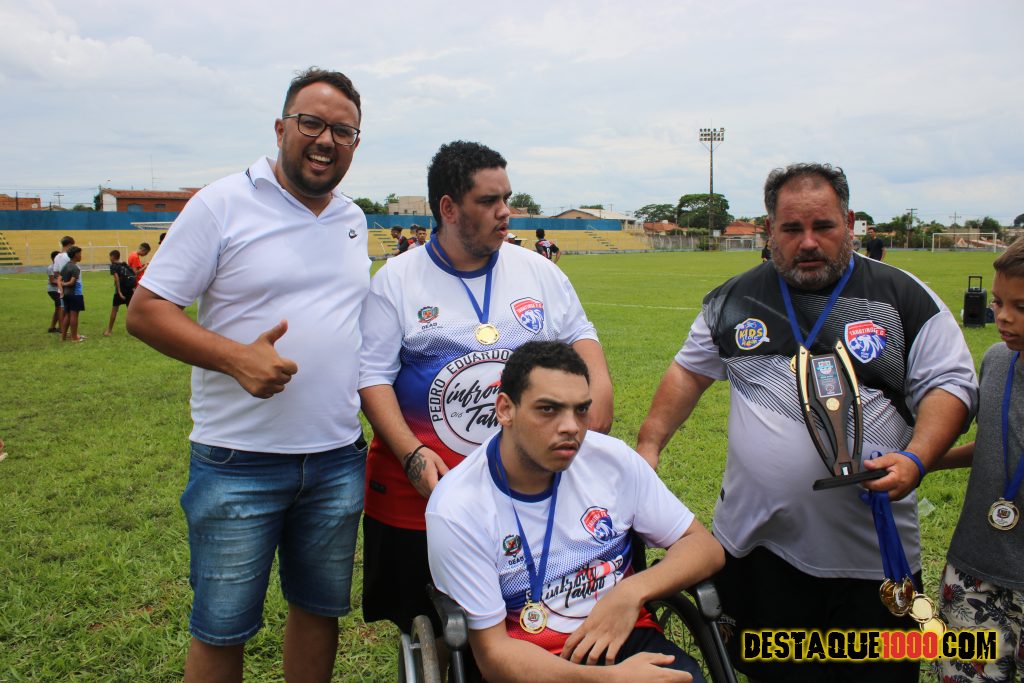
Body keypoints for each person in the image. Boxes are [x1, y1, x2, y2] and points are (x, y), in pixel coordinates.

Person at [636, 163, 978, 683]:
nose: (809, 242)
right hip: (758, 548)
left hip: (873, 558)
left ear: (850, 222)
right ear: (769, 229)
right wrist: (650, 444)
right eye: (792, 229)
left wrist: (917, 457)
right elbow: (688, 372)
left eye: (824, 226)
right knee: (771, 673)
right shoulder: (733, 300)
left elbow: (950, 385)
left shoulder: (902, 297)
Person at [126, 67, 369, 683]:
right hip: (239, 461)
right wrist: (236, 358)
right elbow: (147, 311)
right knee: (221, 627)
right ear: (281, 128)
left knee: (319, 611)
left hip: (337, 457)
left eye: (343, 131)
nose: (326, 140)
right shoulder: (222, 204)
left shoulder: (353, 217)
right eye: (312, 123)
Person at [358, 140, 614, 635]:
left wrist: (599, 385)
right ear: (448, 208)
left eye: (507, 198)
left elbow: (579, 332)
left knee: (527, 623)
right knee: (432, 628)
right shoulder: (397, 280)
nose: (505, 212)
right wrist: (412, 454)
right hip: (426, 495)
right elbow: (372, 378)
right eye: (489, 201)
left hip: (528, 491)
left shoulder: (538, 271)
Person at [427, 341, 724, 683]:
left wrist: (631, 592)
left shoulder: (612, 461)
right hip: (529, 656)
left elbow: (704, 548)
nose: (571, 426)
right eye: (548, 409)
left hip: (623, 635)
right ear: (505, 409)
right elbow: (495, 657)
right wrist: (613, 680)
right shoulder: (457, 507)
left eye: (581, 410)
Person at [934, 239, 1024, 682]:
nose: (1002, 317)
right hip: (975, 568)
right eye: (998, 302)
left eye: (1021, 307)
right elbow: (995, 447)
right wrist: (926, 462)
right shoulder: (997, 361)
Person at [103, 249, 136, 337]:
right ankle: (137, 330)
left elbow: (116, 278)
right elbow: (133, 274)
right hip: (129, 290)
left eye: (110, 257)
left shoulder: (114, 266)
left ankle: (109, 330)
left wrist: (119, 292)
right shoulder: (124, 264)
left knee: (114, 309)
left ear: (112, 257)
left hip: (121, 291)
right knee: (131, 311)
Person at [59, 246, 85, 342]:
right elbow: (72, 282)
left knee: (67, 315)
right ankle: (74, 337)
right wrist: (64, 284)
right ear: (75, 255)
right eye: (79, 254)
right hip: (75, 294)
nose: (81, 256)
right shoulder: (75, 268)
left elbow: (59, 279)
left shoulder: (65, 266)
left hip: (66, 294)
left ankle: (63, 337)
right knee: (74, 315)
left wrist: (62, 290)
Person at [53, 235, 75, 331]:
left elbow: (55, 272)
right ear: (69, 245)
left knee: (62, 308)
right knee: (71, 310)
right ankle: (69, 331)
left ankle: (62, 330)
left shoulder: (57, 257)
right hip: (70, 286)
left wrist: (61, 281)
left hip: (61, 286)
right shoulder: (68, 256)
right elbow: (72, 270)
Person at [46, 250, 62, 332]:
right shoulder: (51, 268)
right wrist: (63, 283)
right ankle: (61, 327)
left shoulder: (59, 267)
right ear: (53, 258)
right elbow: (52, 281)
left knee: (58, 308)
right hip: (53, 290)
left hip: (57, 290)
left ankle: (52, 327)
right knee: (60, 308)